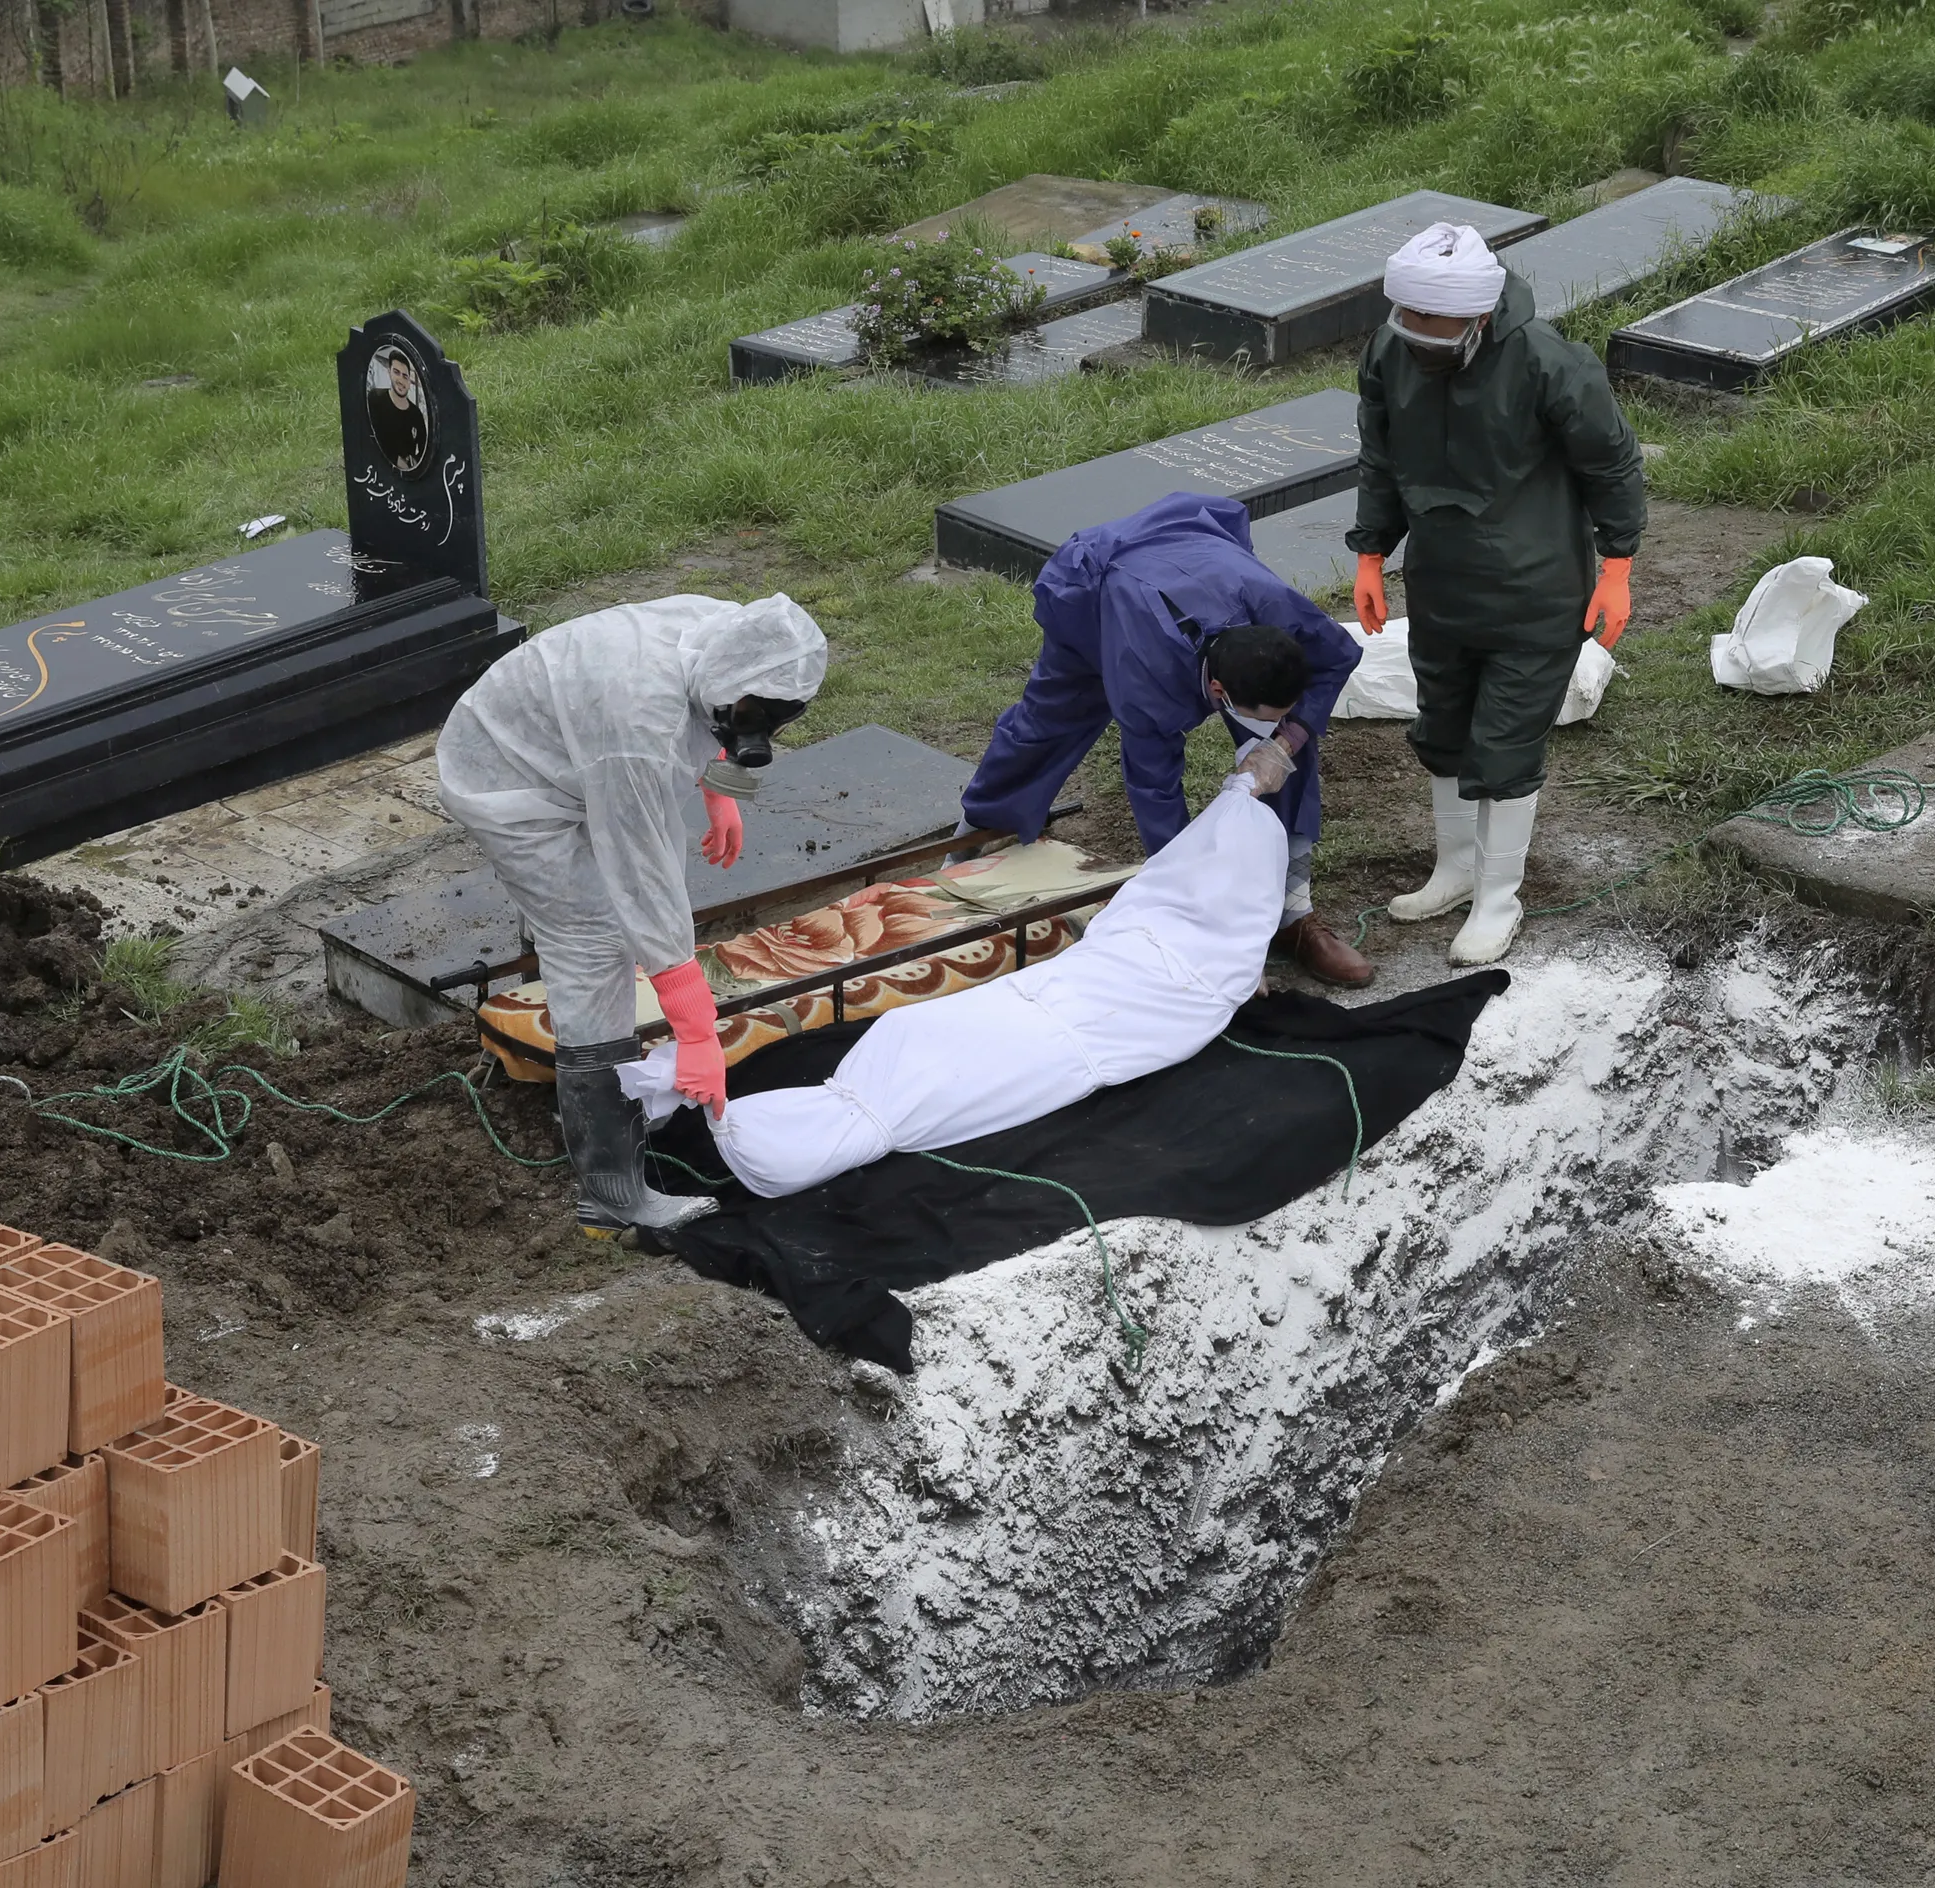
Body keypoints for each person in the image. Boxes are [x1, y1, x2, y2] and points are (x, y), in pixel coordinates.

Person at [625, 736, 1300, 1198]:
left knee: (945, 1069)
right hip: (1056, 1004)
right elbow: (1185, 942)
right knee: (936, 1058)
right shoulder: (1208, 951)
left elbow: (1165, 952)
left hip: (1067, 1019)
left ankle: (763, 1131)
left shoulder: (1189, 947)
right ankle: (754, 1129)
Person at [435, 593, 828, 1236]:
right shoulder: (639, 734)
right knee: (592, 943)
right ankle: (611, 1193)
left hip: (573, 735)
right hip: (509, 777)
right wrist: (697, 1030)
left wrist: (722, 792)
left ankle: (601, 1092)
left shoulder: (734, 631)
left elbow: (715, 720)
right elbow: (643, 884)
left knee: (625, 883)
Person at [1346, 220, 1647, 966]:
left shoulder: (1549, 363)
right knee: (1442, 720)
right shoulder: (1392, 352)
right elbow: (1380, 456)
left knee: (1507, 739)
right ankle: (1452, 870)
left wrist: (1617, 567)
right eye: (1407, 319)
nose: (1418, 336)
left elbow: (1612, 464)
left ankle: (1497, 898)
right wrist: (1371, 552)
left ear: (1478, 316)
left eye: (1433, 324)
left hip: (1535, 585)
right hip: (1443, 580)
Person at [955, 491, 1371, 987]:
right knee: (1046, 724)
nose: (1269, 731)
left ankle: (1292, 913)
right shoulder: (1145, 685)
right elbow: (1157, 796)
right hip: (1094, 595)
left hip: (1188, 554)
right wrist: (1205, 935)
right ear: (1219, 693)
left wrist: (1285, 742)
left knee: (1296, 741)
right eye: (1256, 719)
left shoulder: (1274, 609)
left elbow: (1338, 653)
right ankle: (975, 839)